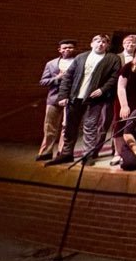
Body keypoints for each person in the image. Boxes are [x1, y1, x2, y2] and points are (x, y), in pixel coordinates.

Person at [46, 35, 122, 167]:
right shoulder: (81, 57)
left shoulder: (112, 58)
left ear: (107, 45)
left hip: (94, 100)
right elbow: (68, 77)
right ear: (92, 44)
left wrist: (102, 90)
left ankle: (88, 155)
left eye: (104, 42)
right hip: (75, 98)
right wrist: (63, 96)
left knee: (90, 127)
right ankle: (66, 153)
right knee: (70, 127)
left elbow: (114, 77)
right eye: (97, 41)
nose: (100, 44)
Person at [37, 39, 77, 161]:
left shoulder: (78, 62)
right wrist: (58, 78)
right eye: (64, 48)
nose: (67, 49)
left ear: (74, 49)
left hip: (70, 98)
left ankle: (62, 152)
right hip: (53, 98)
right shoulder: (51, 64)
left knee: (67, 126)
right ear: (59, 50)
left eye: (70, 47)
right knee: (49, 126)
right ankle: (46, 152)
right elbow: (43, 81)